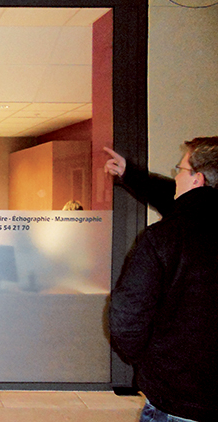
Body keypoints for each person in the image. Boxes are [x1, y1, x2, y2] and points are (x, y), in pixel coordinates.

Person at [106, 138, 218, 421]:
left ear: (198, 178)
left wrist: (149, 362)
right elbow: (183, 199)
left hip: (180, 400)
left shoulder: (166, 238)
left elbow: (127, 316)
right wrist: (130, 174)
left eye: (179, 169)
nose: (176, 176)